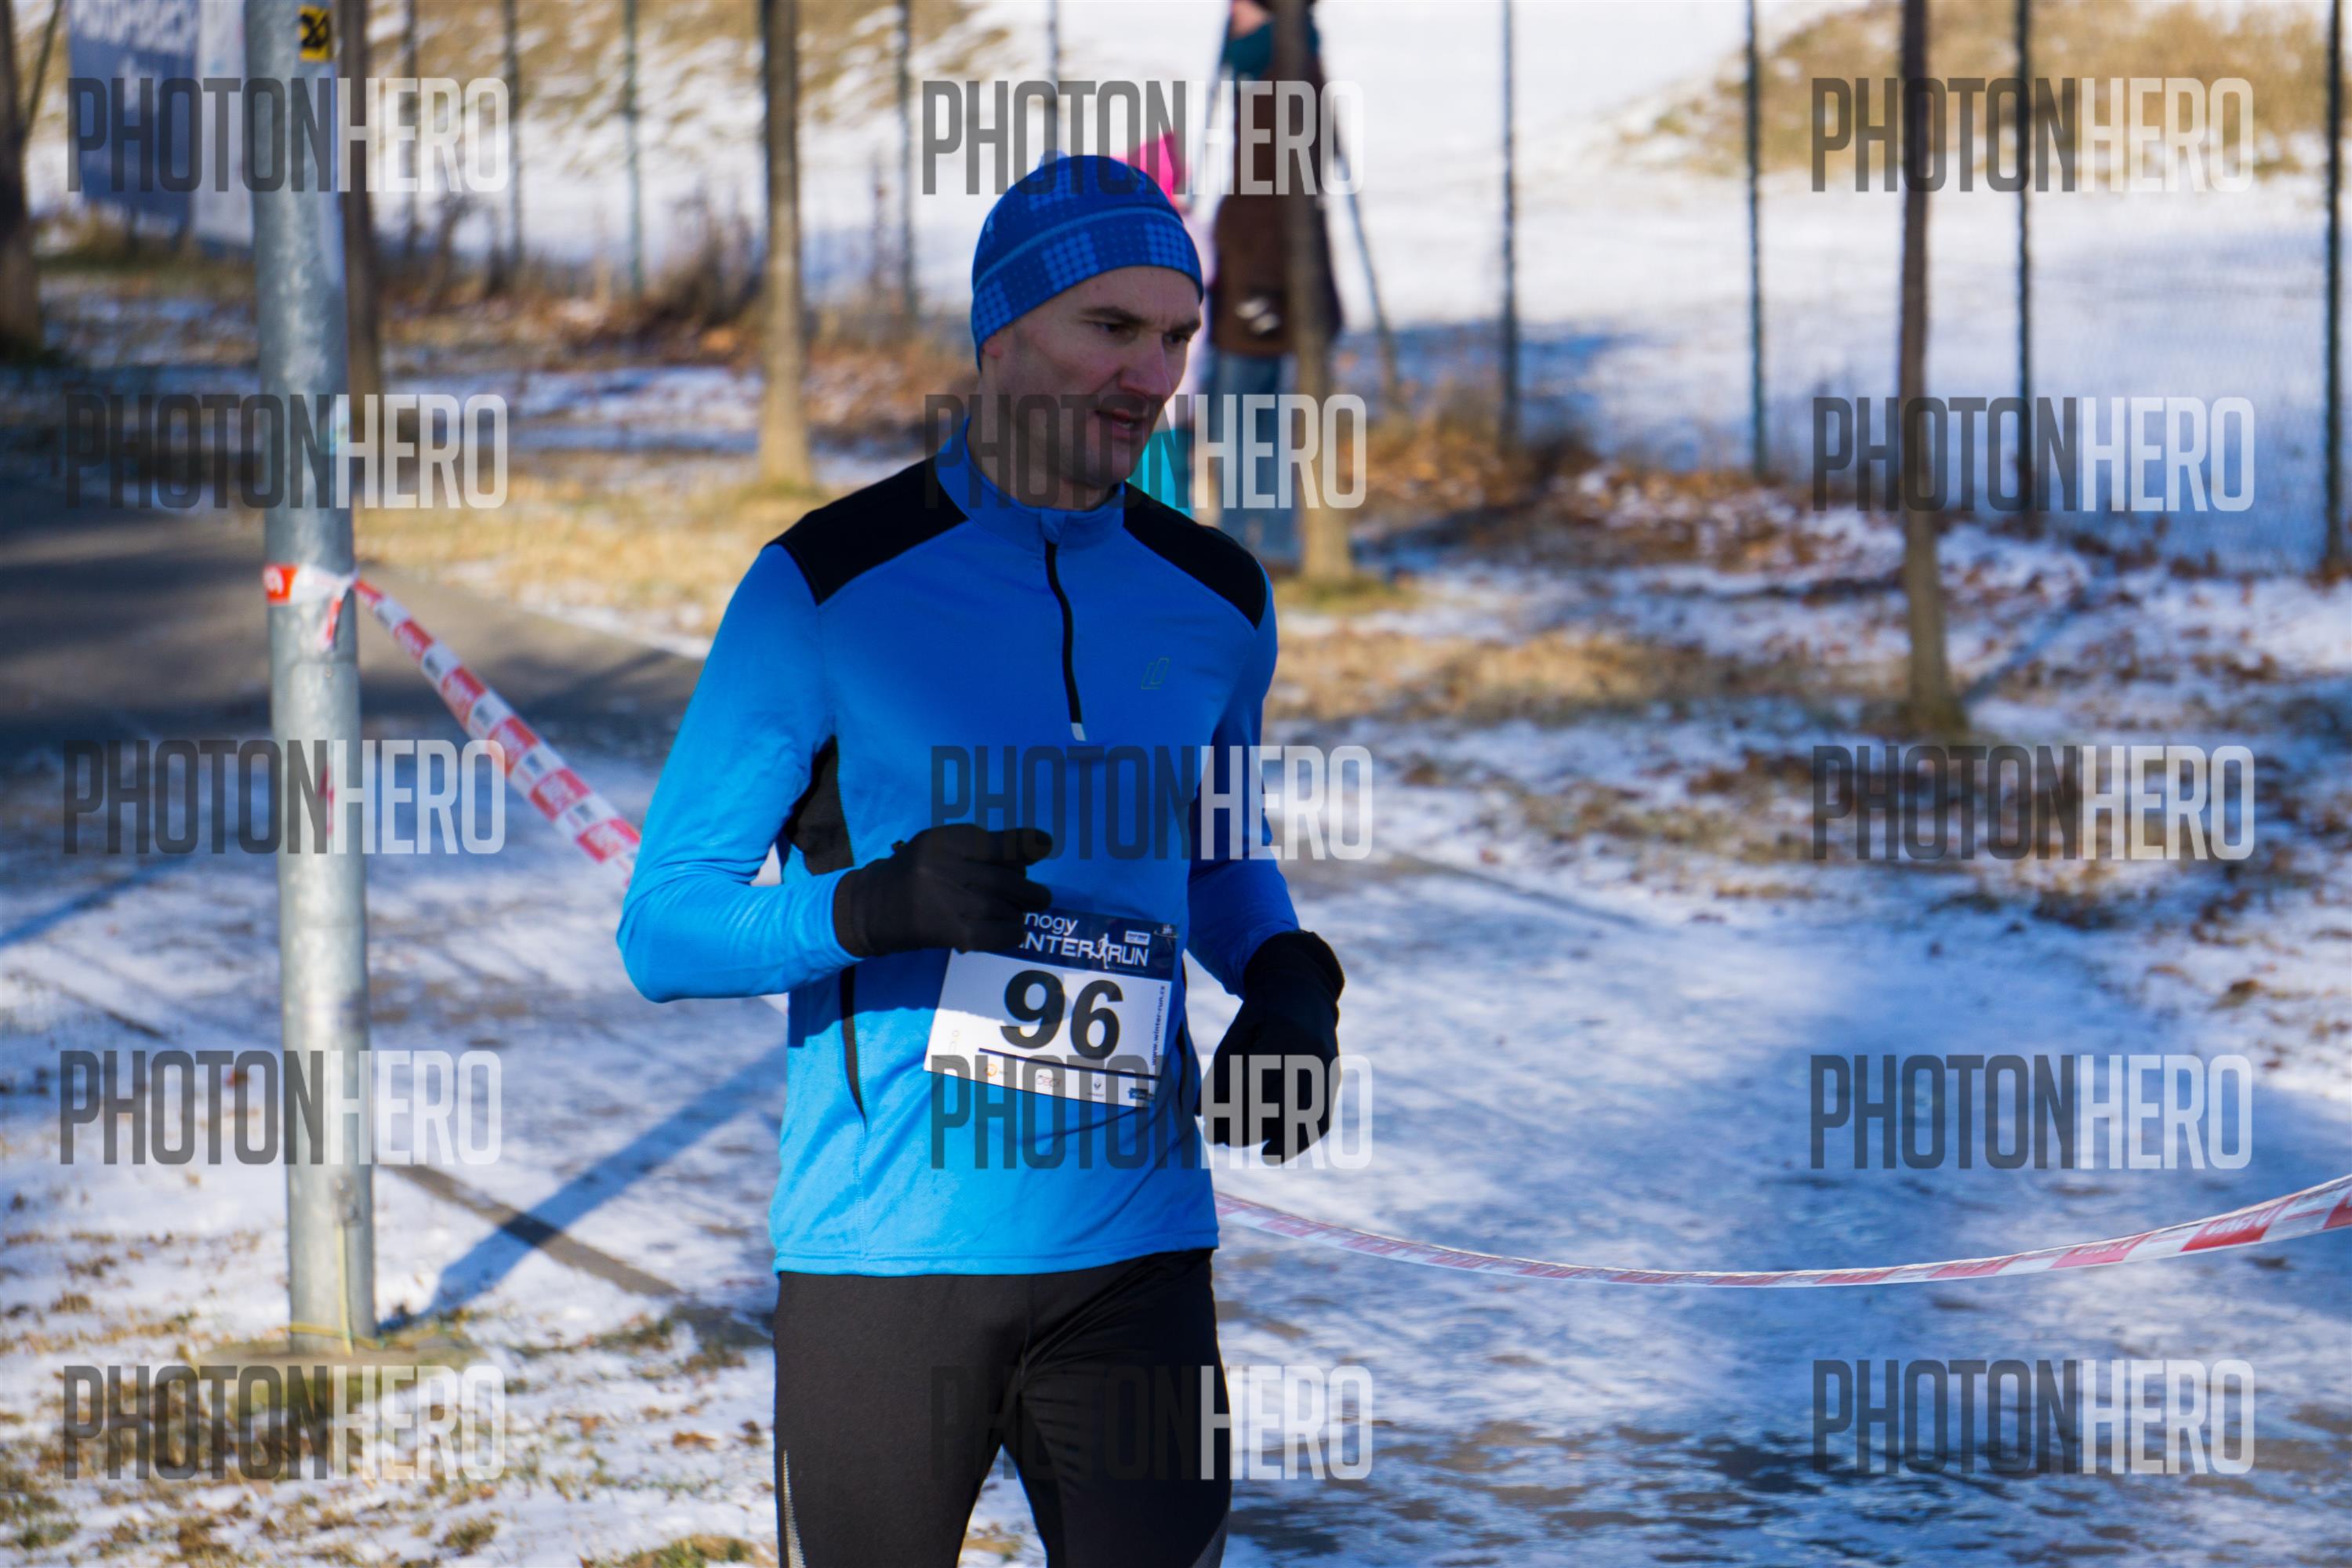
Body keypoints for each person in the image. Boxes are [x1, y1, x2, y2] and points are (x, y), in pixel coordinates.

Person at [617, 153, 1346, 1568]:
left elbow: (1216, 861)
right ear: (1000, 334)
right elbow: (665, 927)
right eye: (1110, 328)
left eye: (1177, 336)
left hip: (1135, 1250)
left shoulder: (1215, 598)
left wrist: (1287, 976)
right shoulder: (827, 585)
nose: (1151, 376)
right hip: (889, 1253)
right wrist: (871, 907)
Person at [1205, 0, 1342, 568]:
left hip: (1259, 288)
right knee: (1256, 416)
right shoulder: (1282, 69)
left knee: (1240, 418)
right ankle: (1267, 543)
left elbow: (1276, 194)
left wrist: (1260, 289)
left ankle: (1245, 546)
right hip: (1258, 281)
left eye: (1242, 2)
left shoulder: (1282, 77)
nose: (1230, 12)